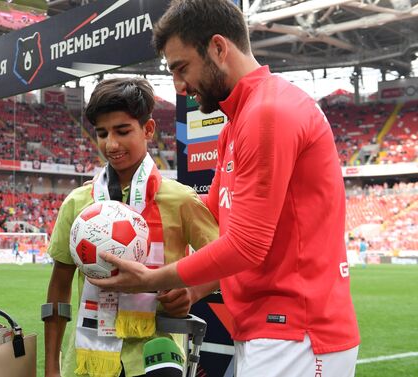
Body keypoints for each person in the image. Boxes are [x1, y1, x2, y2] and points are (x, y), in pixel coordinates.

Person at [90, 1, 361, 376]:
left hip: (298, 331)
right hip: (269, 329)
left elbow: (246, 245)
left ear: (218, 48)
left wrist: (152, 279)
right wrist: (194, 288)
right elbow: (214, 217)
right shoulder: (239, 121)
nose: (180, 87)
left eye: (181, 68)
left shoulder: (269, 112)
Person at [44, 77, 220, 377]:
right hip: (89, 362)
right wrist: (51, 366)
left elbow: (224, 261)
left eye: (122, 131)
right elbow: (59, 285)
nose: (111, 144)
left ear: (148, 129)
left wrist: (192, 293)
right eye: (102, 133)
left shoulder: (180, 200)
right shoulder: (78, 203)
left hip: (157, 359)